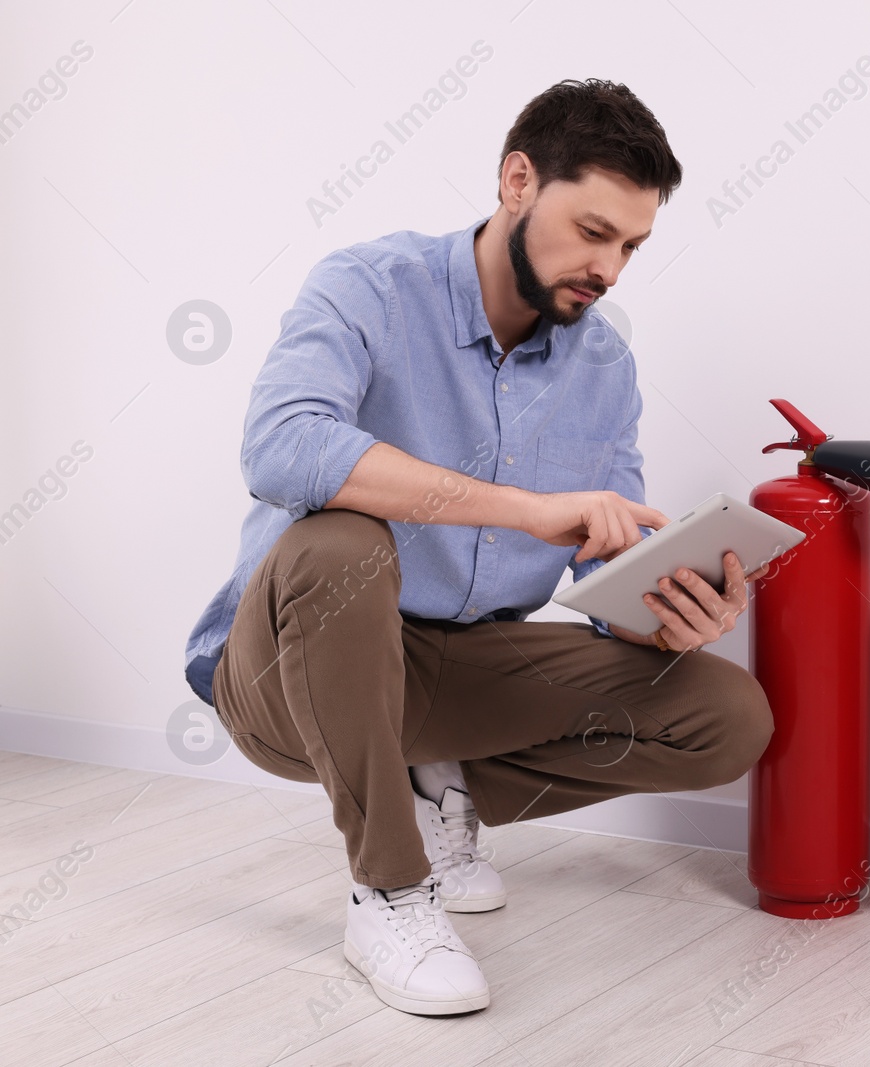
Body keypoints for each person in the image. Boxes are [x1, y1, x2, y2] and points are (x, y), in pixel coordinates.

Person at [182, 79, 774, 1017]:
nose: (610, 269)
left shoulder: (604, 365)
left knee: (727, 716)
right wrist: (520, 509)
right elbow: (280, 445)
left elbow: (597, 559)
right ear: (517, 181)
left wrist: (663, 614)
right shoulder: (369, 286)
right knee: (339, 542)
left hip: (456, 670)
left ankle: (433, 786)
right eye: (591, 231)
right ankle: (389, 888)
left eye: (631, 246)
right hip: (286, 674)